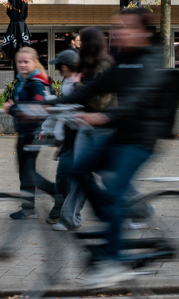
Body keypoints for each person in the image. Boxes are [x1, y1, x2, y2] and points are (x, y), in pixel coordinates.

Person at [55, 8, 179, 289]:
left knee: (113, 194)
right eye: (118, 27)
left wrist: (103, 117)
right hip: (120, 134)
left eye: (127, 27)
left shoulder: (150, 60)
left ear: (144, 32)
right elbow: (95, 86)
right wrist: (49, 105)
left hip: (141, 139)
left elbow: (137, 100)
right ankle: (111, 218)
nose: (120, 32)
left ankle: (113, 263)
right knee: (78, 168)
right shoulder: (124, 59)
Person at [54, 26, 114, 232]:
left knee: (108, 176)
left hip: (101, 127)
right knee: (81, 172)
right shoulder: (89, 65)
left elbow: (101, 100)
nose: (78, 43)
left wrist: (79, 89)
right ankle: (70, 218)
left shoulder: (103, 66)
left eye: (82, 40)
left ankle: (137, 211)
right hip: (86, 126)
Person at [3, 46, 56, 219]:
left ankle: (56, 193)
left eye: (26, 62)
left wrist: (12, 108)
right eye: (20, 61)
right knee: (25, 171)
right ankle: (28, 206)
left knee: (28, 171)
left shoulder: (37, 82)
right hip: (23, 132)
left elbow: (36, 108)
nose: (22, 65)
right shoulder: (22, 80)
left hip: (34, 132)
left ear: (34, 62)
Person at [46, 48, 79, 227]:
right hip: (69, 136)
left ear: (65, 66)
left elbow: (71, 108)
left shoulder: (76, 82)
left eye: (59, 66)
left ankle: (65, 214)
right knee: (66, 176)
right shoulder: (68, 81)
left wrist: (53, 106)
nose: (58, 70)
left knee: (67, 176)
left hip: (77, 136)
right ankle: (65, 213)